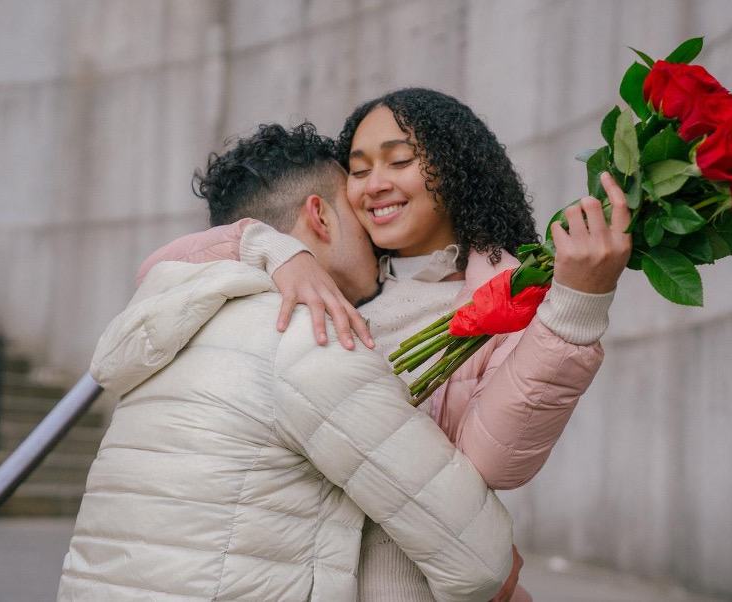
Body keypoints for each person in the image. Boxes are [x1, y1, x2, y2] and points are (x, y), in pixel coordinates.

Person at [139, 88, 632, 601]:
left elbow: (496, 460)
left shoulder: (508, 296)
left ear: (457, 167)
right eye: (357, 169)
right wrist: (279, 250)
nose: (375, 185)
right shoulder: (328, 279)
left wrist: (578, 305)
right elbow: (161, 269)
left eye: (398, 161)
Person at [57, 123, 520, 602]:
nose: (378, 242)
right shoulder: (310, 340)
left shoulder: (172, 322)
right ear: (319, 217)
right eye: (359, 218)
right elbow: (479, 560)